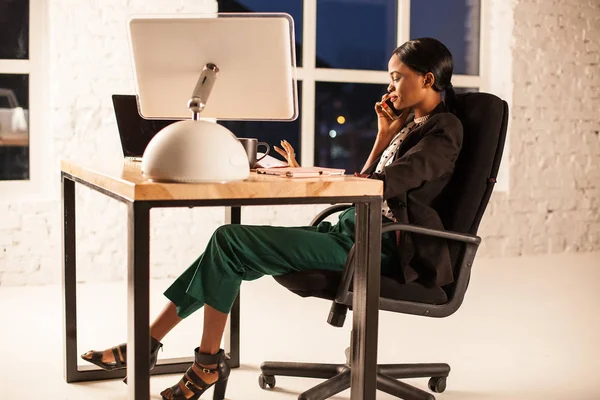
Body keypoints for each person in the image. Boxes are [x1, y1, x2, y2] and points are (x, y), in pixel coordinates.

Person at [81, 37, 463, 400]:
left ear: (426, 79)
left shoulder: (445, 129)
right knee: (228, 248)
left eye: (397, 77)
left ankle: (189, 359)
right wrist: (382, 138)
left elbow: (390, 183)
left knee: (230, 240)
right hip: (352, 230)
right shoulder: (408, 127)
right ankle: (173, 352)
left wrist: (322, 176)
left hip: (381, 247)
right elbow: (370, 185)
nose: (391, 87)